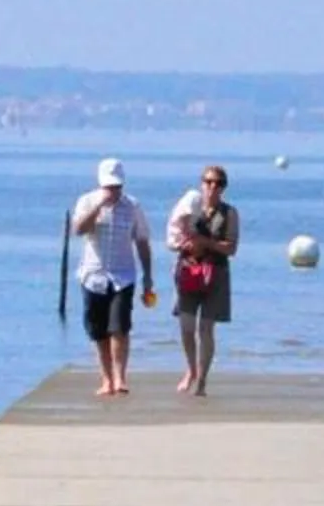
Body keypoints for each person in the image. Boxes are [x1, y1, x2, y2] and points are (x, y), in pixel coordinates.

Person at [70, 157, 153, 397]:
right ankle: (106, 379)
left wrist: (148, 276)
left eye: (117, 187)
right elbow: (78, 230)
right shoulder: (87, 201)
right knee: (98, 331)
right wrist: (98, 207)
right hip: (93, 275)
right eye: (109, 187)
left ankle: (120, 377)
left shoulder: (132, 206)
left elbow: (142, 241)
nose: (113, 192)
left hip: (123, 275)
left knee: (120, 327)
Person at [163, 164, 240, 396]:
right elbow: (174, 235)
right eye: (208, 182)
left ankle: (202, 380)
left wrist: (205, 242)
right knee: (186, 327)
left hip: (215, 273)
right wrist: (183, 244)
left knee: (206, 328)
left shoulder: (229, 213)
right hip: (188, 271)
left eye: (218, 183)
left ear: (224, 187)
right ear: (202, 183)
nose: (212, 187)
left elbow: (231, 247)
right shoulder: (189, 206)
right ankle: (190, 369)